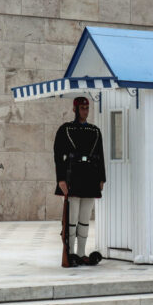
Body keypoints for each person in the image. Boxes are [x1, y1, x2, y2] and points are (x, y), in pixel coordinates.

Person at [53, 96, 105, 267]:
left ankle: (81, 253)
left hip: (90, 179)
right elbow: (58, 157)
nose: (85, 111)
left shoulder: (95, 131)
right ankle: (70, 253)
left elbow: (100, 157)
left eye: (87, 108)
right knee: (71, 219)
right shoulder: (65, 129)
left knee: (84, 219)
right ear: (75, 109)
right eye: (82, 108)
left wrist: (101, 178)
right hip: (72, 179)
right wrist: (60, 179)